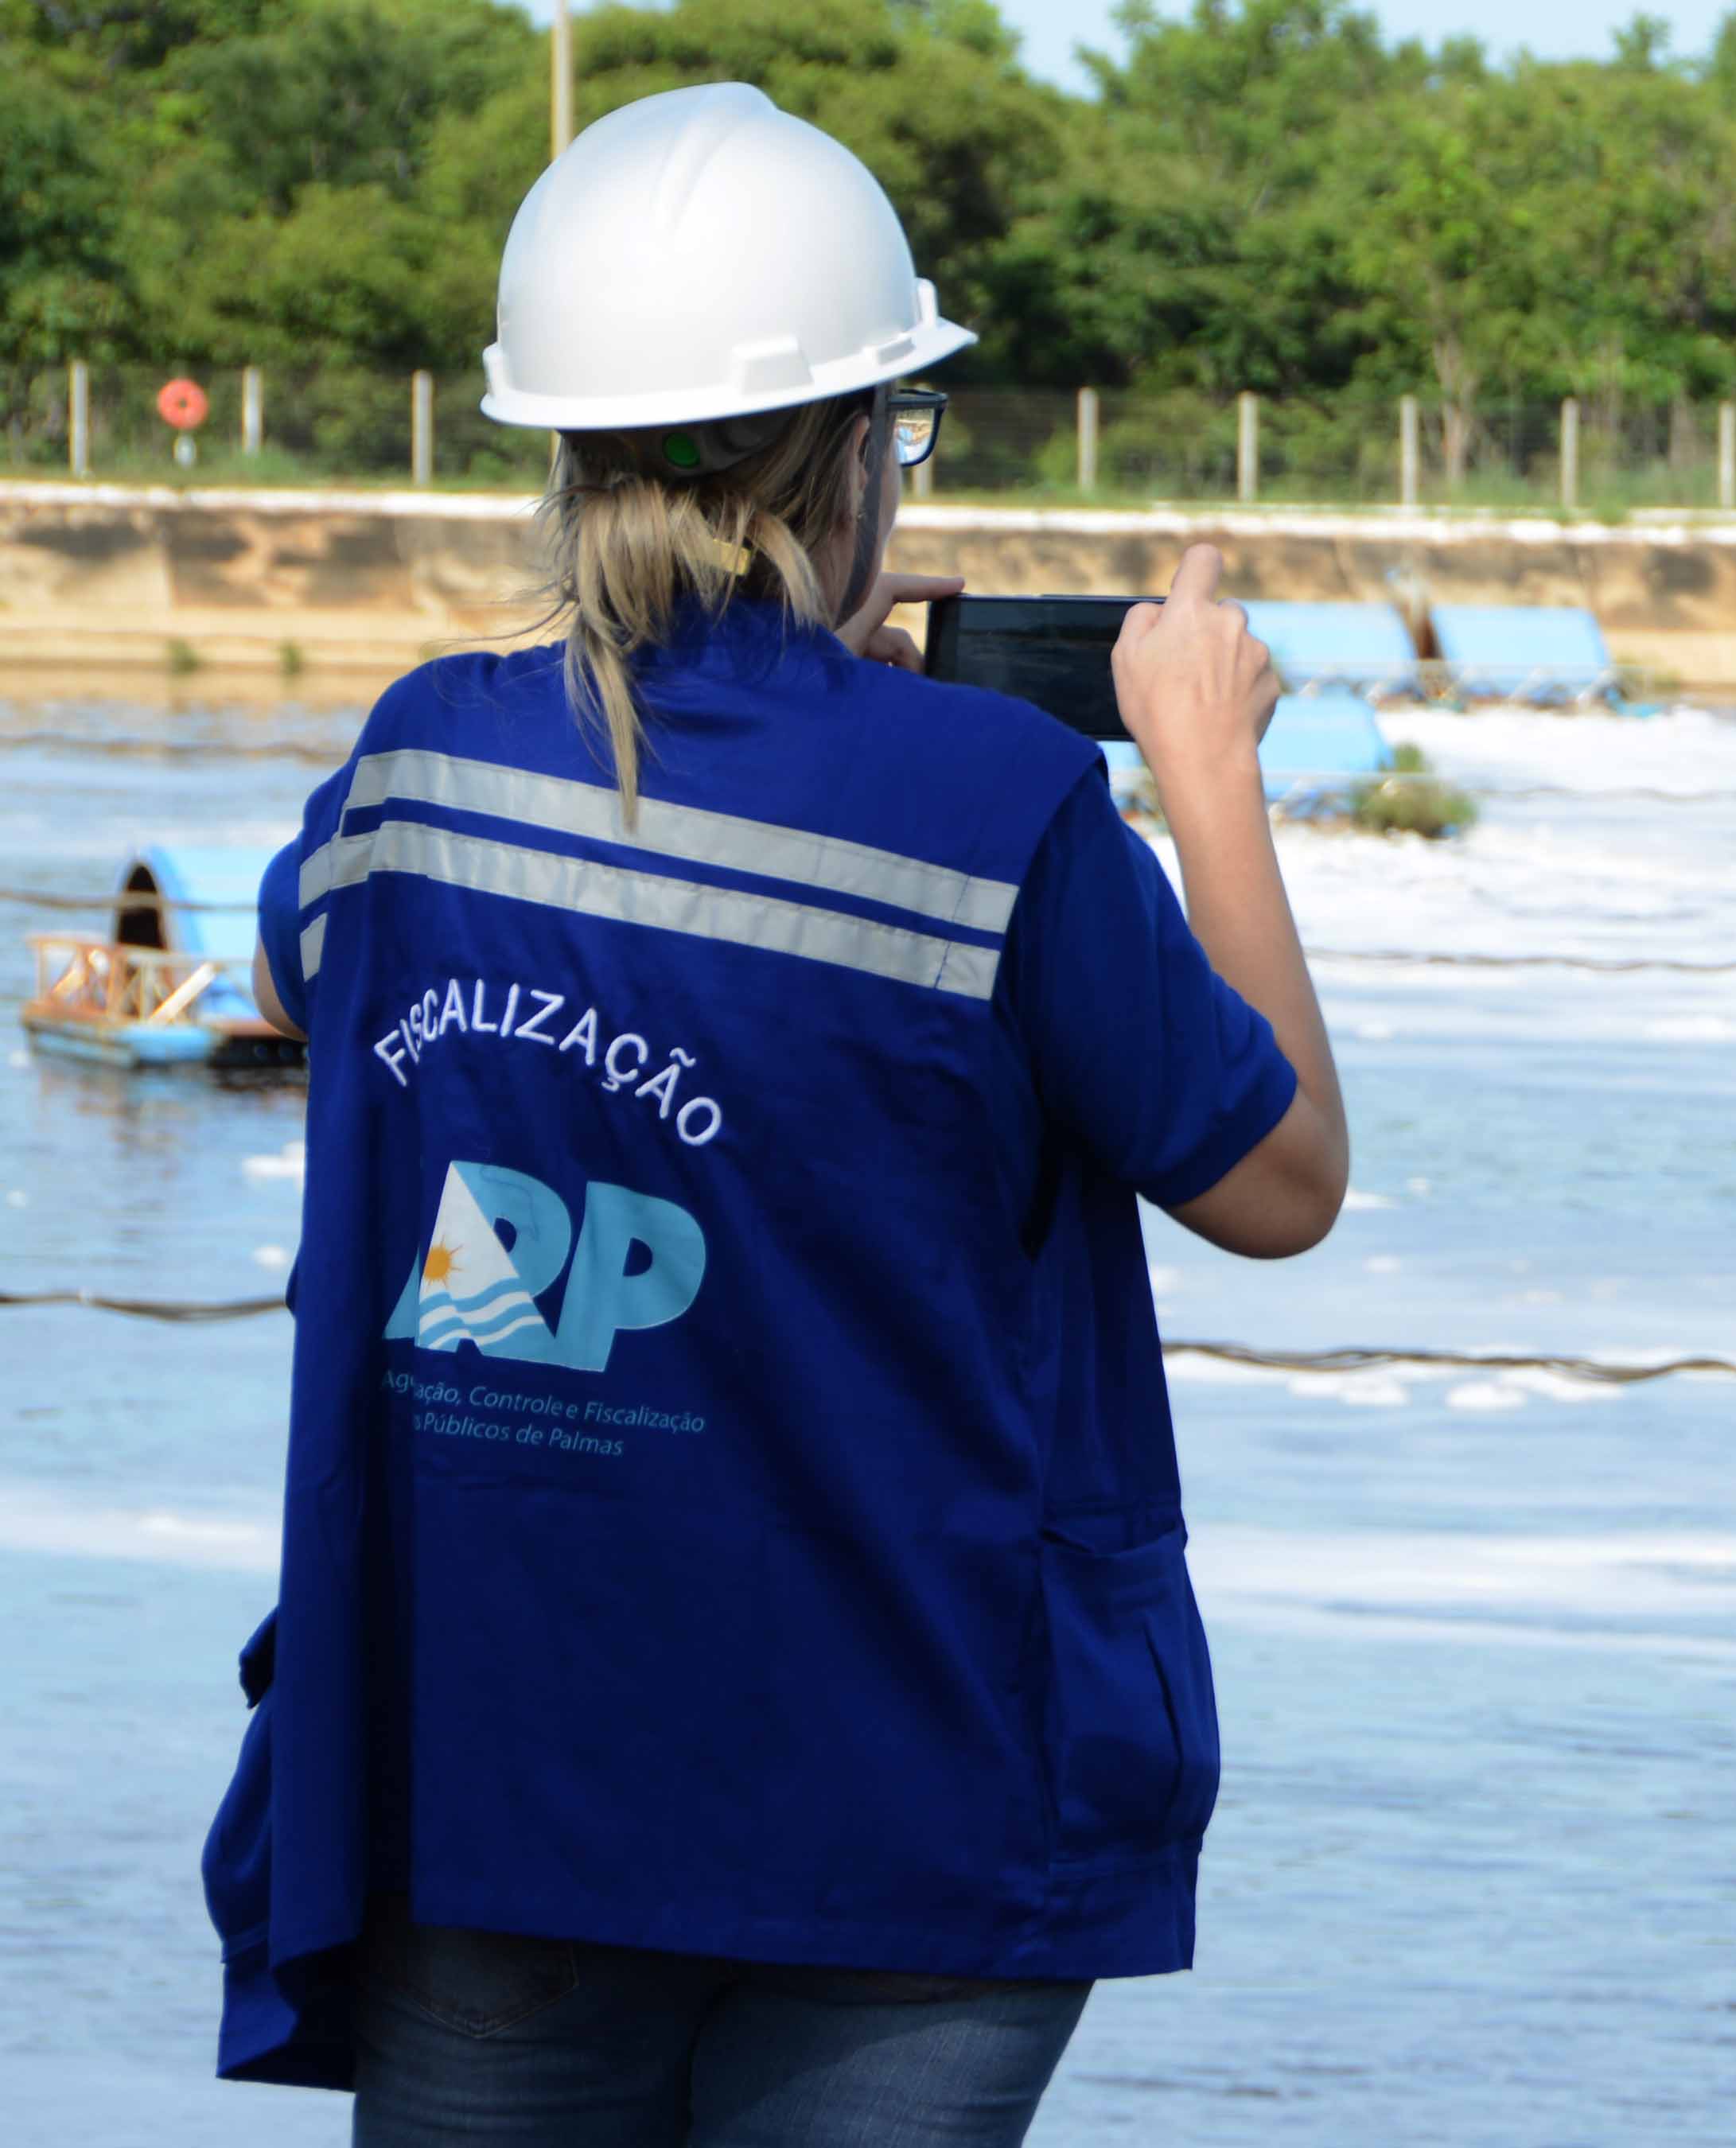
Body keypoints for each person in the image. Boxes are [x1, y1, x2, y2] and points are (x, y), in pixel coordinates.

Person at [200, 82, 1346, 2143]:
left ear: (567, 451)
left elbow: (295, 973)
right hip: (915, 1807)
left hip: (493, 1780)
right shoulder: (1000, 801)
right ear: (855, 453)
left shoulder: (421, 764)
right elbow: (1282, 1179)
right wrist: (1206, 773)